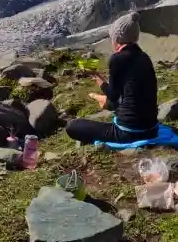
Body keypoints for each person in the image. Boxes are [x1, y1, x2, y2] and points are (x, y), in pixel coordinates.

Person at [65, 11, 159, 145]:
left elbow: (113, 96)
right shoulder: (144, 57)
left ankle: (101, 106)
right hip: (152, 129)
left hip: (129, 132)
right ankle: (101, 100)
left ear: (117, 39)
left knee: (72, 126)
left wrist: (96, 75)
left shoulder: (117, 58)